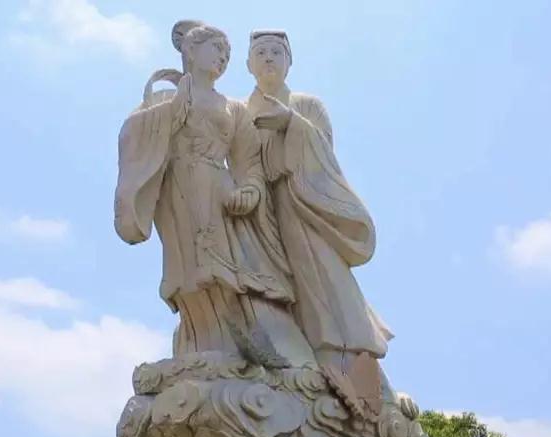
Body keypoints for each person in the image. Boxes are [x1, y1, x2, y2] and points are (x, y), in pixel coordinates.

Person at [114, 21, 315, 367]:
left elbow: (248, 160)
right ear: (191, 51)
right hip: (177, 190)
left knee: (226, 269)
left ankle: (240, 341)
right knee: (187, 272)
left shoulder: (233, 108)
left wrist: (250, 189)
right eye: (216, 49)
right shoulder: (166, 99)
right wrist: (169, 111)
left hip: (217, 192)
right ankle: (198, 340)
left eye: (227, 54)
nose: (222, 58)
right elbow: (133, 132)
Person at [246, 30, 394, 401]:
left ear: (289, 61)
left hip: (304, 203)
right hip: (259, 208)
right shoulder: (242, 112)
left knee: (321, 274)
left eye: (276, 52)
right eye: (260, 52)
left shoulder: (308, 106)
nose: (268, 58)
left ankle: (340, 352)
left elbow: (325, 156)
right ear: (248, 64)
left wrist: (291, 124)